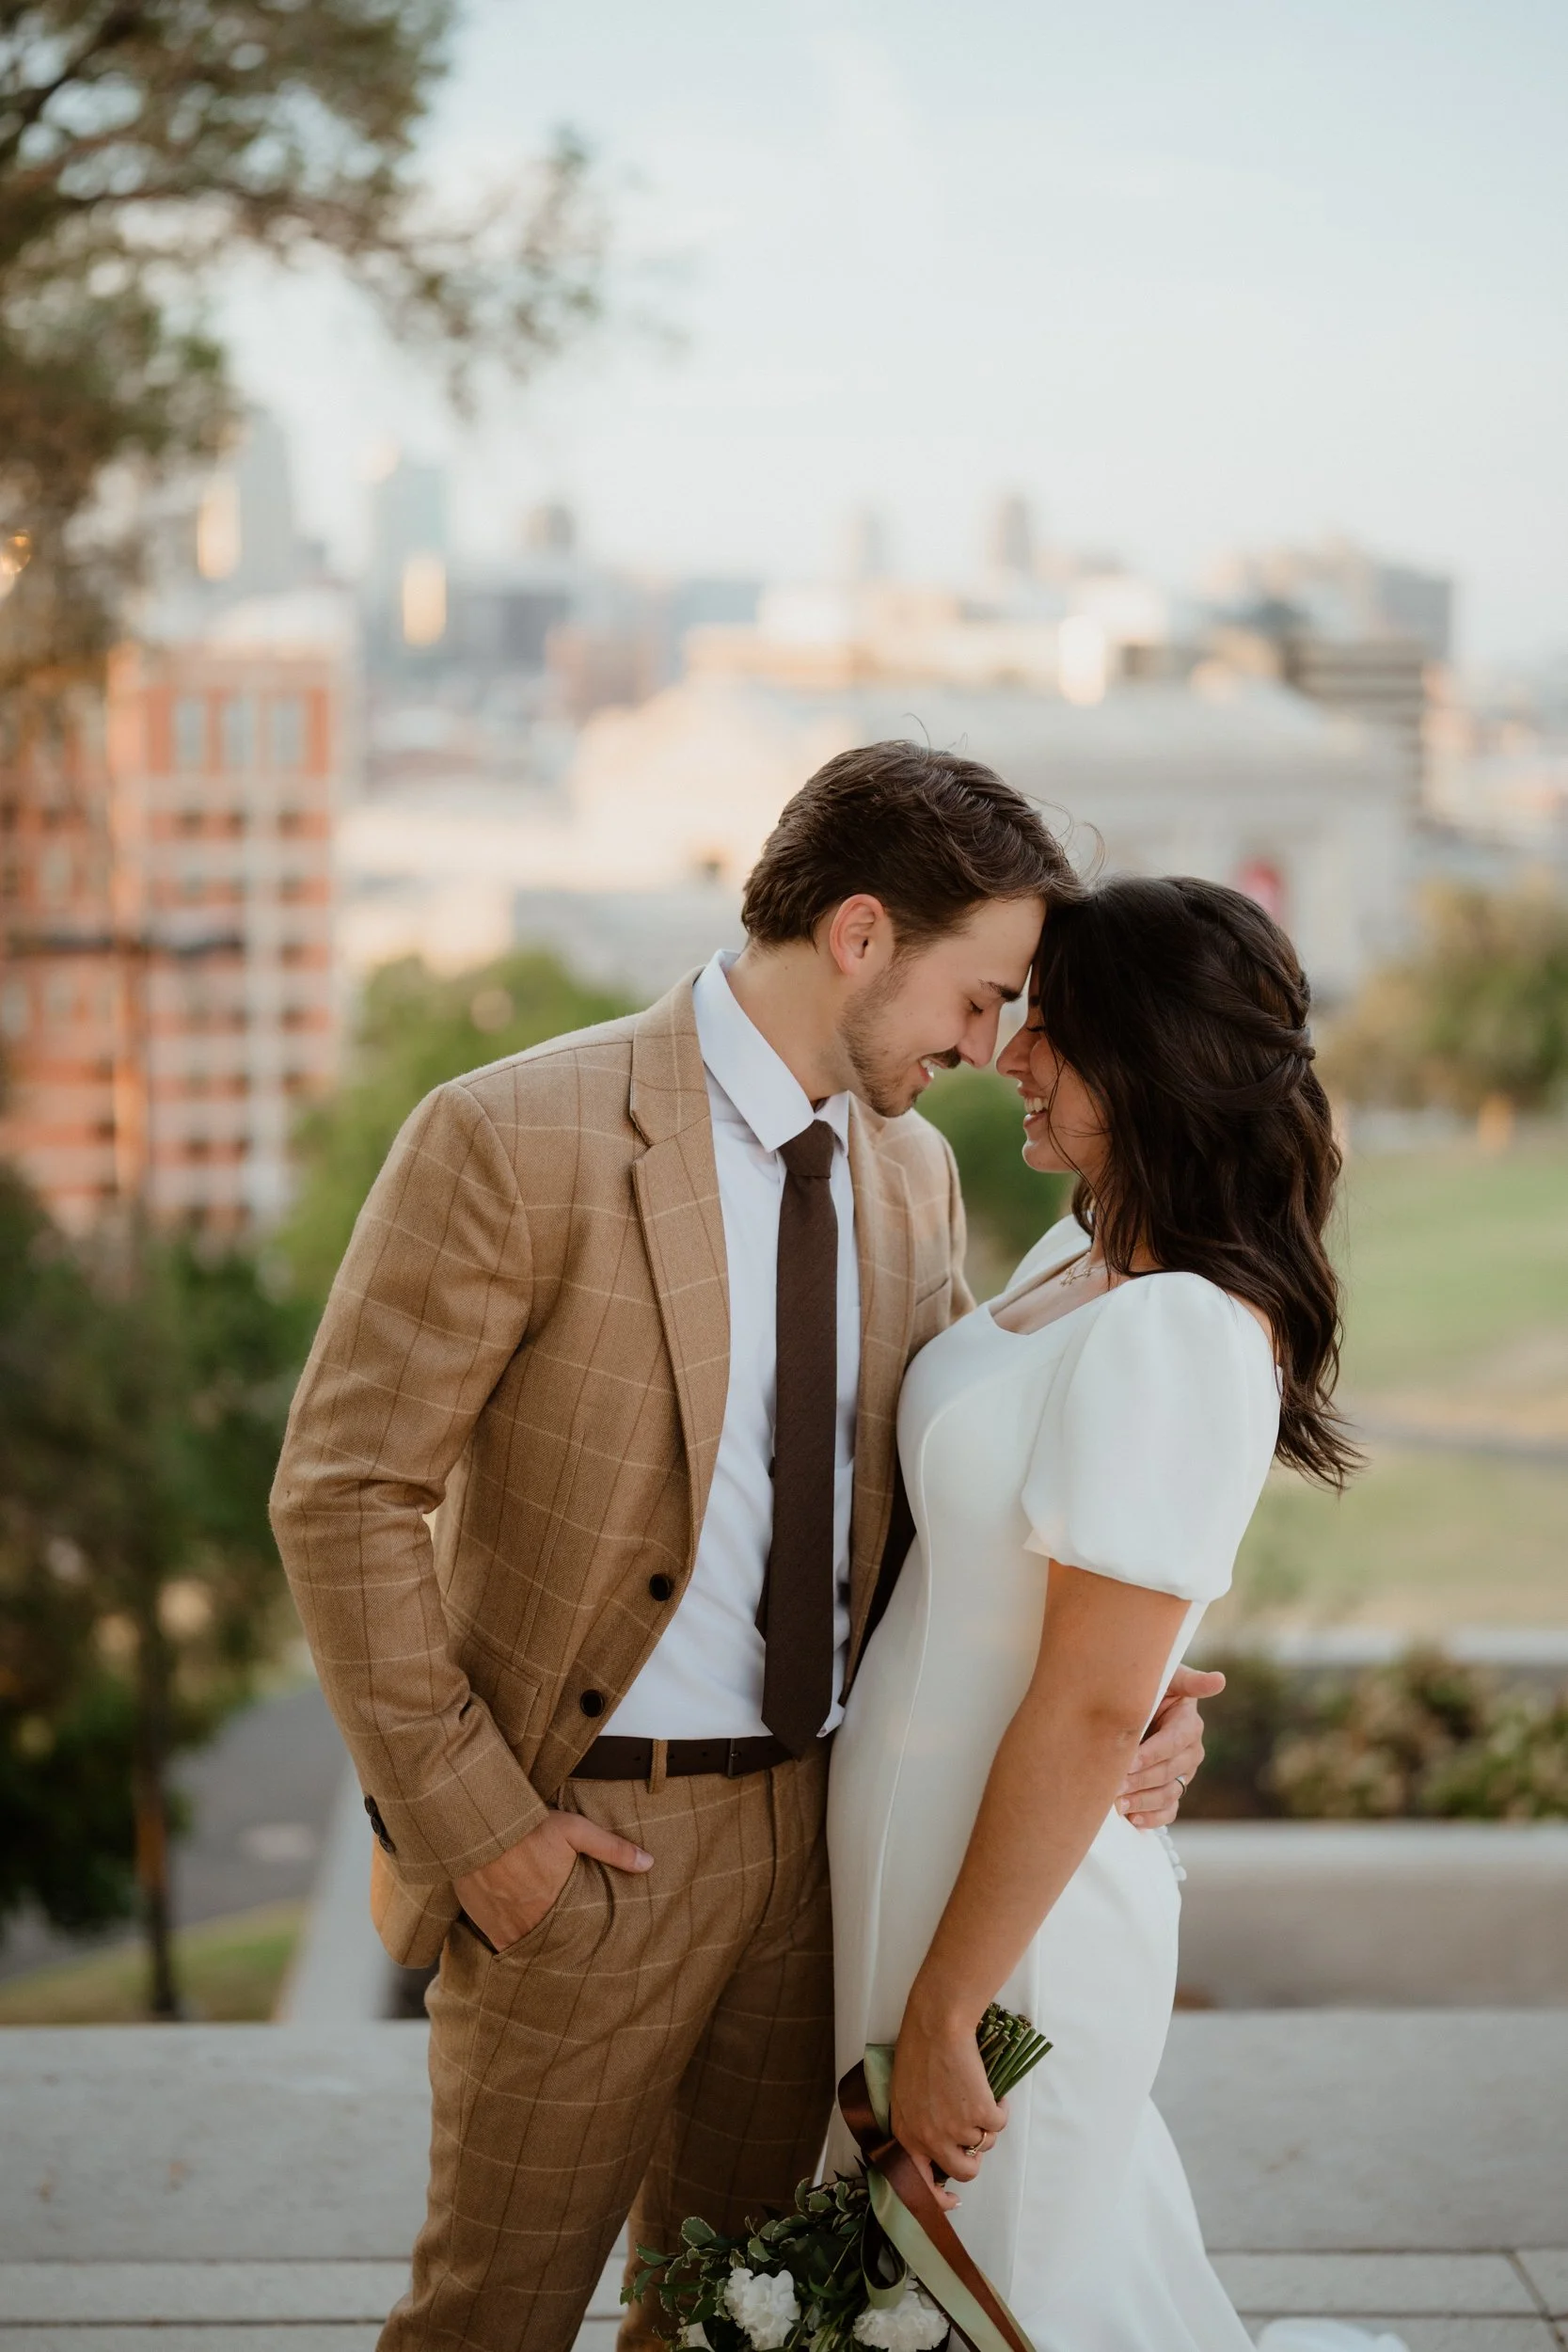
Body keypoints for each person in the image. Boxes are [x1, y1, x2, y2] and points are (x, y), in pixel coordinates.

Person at [270, 746, 1219, 2352]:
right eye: (978, 997)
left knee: (731, 2328)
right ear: (860, 935)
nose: (991, 1050)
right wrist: (478, 1830)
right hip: (581, 1853)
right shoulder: (514, 1134)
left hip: (824, 1855)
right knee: (486, 2318)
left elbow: (946, 1503)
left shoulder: (909, 1174)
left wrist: (1134, 1695)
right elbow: (344, 1488)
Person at [827, 874, 1399, 2351]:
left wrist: (952, 2009)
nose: (1009, 1054)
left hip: (1011, 1928)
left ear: (1147, 1062)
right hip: (925, 1860)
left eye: (1053, 1034)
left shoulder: (1184, 1328)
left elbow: (1088, 1703)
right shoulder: (1072, 1259)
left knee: (1019, 2296)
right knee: (952, 2288)